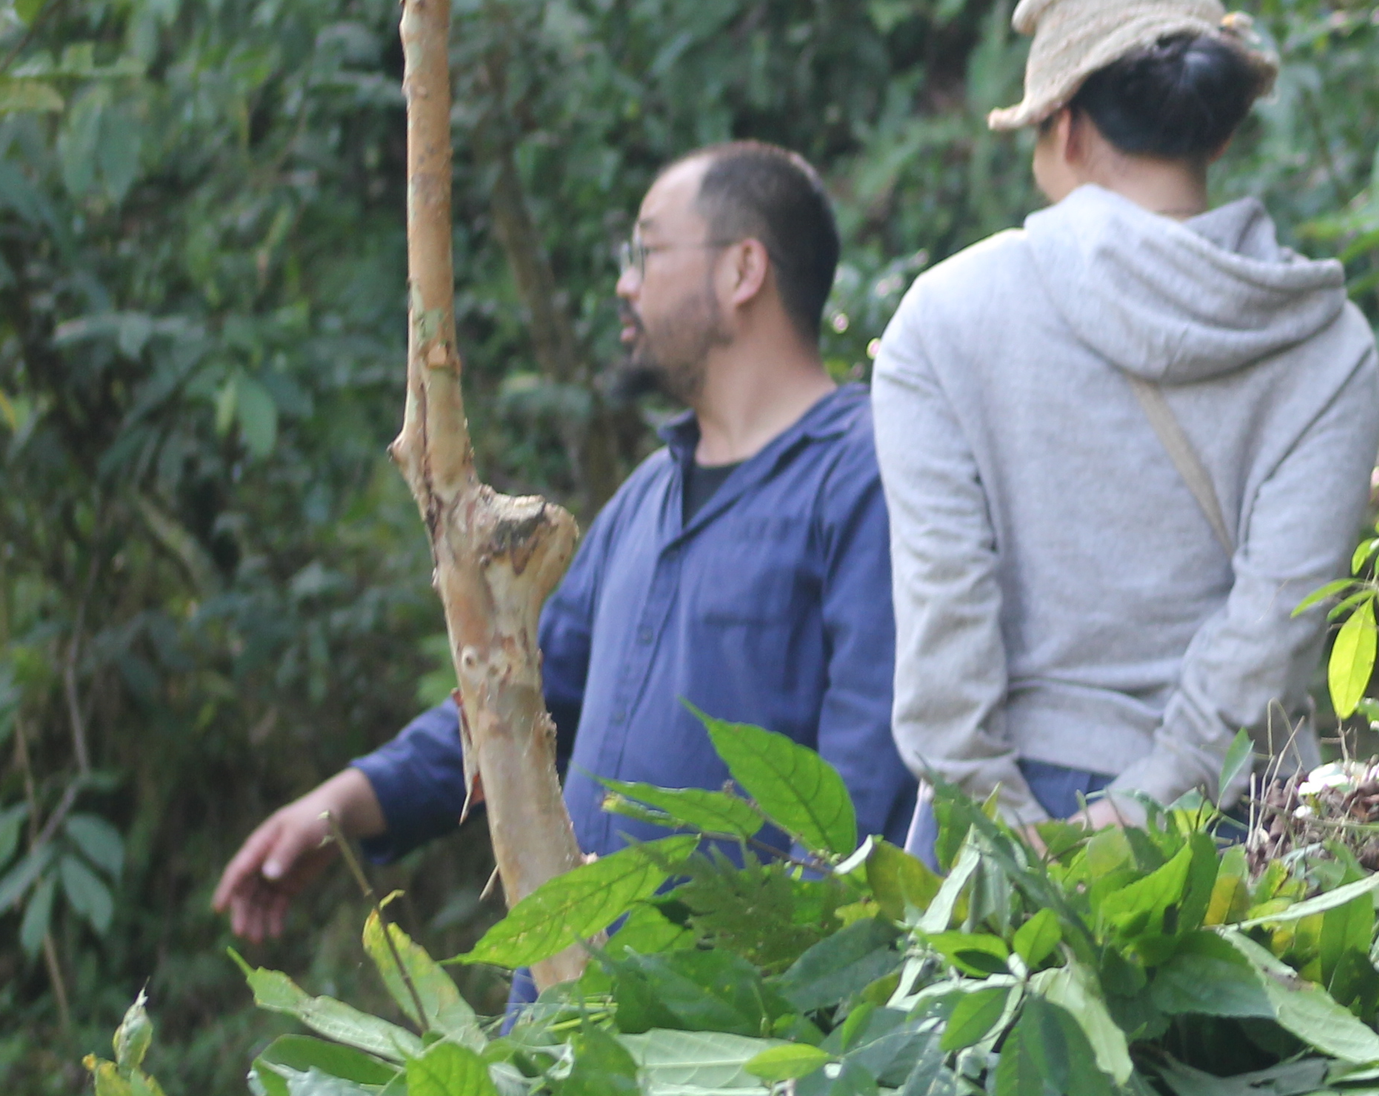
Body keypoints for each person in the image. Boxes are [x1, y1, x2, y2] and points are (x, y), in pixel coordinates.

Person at [215, 144, 908, 941]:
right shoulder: (646, 499)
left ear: (743, 271)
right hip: (572, 1029)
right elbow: (514, 699)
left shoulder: (864, 474)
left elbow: (861, 793)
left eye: (645, 251)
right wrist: (343, 803)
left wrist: (795, 1019)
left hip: (729, 1043)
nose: (625, 282)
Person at [878, 0, 1379, 835]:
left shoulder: (947, 316)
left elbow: (945, 616)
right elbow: (1272, 635)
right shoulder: (1327, 342)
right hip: (1226, 826)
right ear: (1220, 132)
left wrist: (1004, 824)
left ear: (1064, 127)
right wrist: (1146, 805)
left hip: (1001, 818)